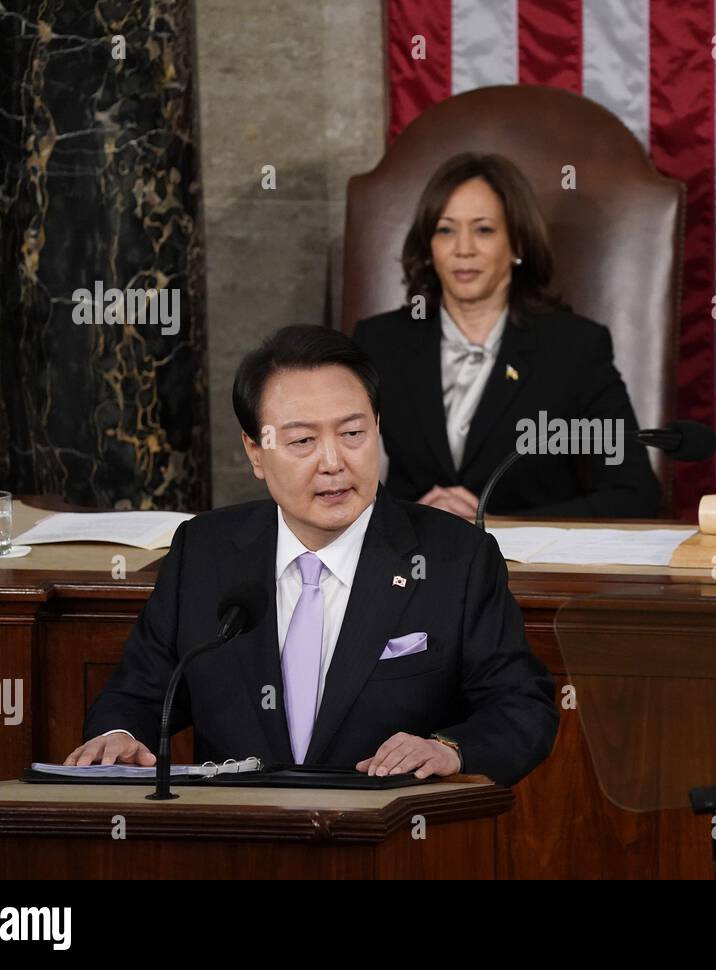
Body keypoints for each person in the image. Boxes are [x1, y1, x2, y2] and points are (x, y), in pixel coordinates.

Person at [67, 326, 559, 786]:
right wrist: (119, 737)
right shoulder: (205, 551)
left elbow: (522, 708)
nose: (333, 462)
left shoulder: (456, 558)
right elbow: (137, 693)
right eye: (303, 440)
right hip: (240, 845)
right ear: (255, 452)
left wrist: (450, 748)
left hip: (391, 843)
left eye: (353, 434)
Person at [353, 152, 661, 520]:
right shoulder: (379, 341)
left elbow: (635, 495)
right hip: (413, 565)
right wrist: (407, 519)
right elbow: (335, 479)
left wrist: (498, 524)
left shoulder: (574, 349)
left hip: (528, 570)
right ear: (429, 245)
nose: (463, 249)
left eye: (483, 229)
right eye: (445, 229)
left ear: (516, 244)